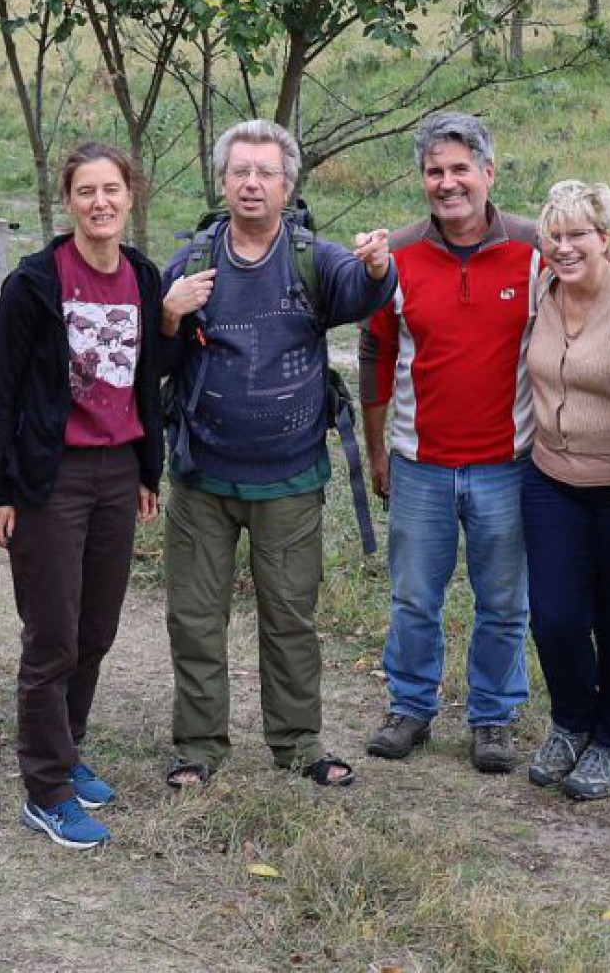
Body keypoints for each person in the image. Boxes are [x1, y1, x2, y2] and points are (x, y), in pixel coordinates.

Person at [160, 119, 396, 790]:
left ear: (287, 184)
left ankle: (297, 744)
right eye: (241, 171)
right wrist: (170, 314)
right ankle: (199, 748)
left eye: (266, 172)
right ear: (223, 180)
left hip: (289, 478)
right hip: (202, 476)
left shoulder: (312, 258)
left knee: (290, 617)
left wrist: (380, 266)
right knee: (196, 619)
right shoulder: (193, 262)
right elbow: (160, 363)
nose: (252, 183)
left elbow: (360, 288)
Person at [0, 143, 173, 850]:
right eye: (86, 191)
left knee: (97, 629)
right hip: (48, 479)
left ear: (130, 196)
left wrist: (148, 471)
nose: (100, 202)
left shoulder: (143, 277)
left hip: (118, 472)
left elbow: (148, 378)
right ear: (68, 201)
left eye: (112, 189)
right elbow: (1, 392)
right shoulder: (34, 284)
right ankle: (46, 788)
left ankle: (69, 745)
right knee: (52, 635)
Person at [357, 111, 542, 774]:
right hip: (421, 464)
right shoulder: (396, 255)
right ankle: (410, 707)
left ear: (488, 173)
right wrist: (377, 450)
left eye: (461, 169)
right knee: (413, 597)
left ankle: (493, 718)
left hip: (506, 466)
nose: (448, 183)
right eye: (435, 171)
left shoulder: (534, 249)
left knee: (503, 602)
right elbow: (376, 357)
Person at [520, 180, 610, 800]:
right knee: (554, 617)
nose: (565, 247)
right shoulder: (538, 287)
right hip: (551, 479)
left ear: (606, 239)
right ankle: (571, 721)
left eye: (579, 235)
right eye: (555, 235)